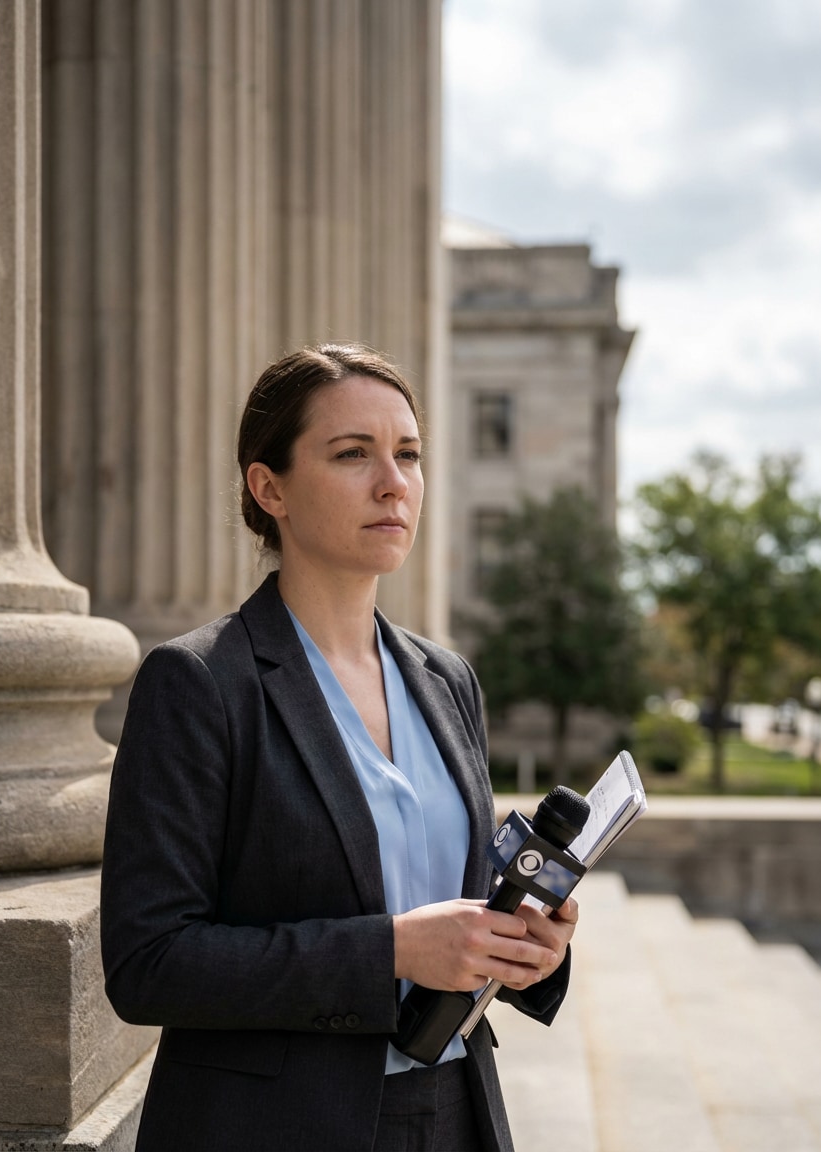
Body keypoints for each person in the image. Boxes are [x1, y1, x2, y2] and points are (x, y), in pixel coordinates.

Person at [100, 343, 578, 1152]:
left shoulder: (447, 678)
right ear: (269, 487)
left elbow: (457, 905)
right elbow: (149, 960)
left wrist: (528, 945)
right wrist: (392, 949)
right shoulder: (199, 682)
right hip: (275, 1126)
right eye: (353, 454)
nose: (394, 481)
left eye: (409, 454)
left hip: (456, 1107)